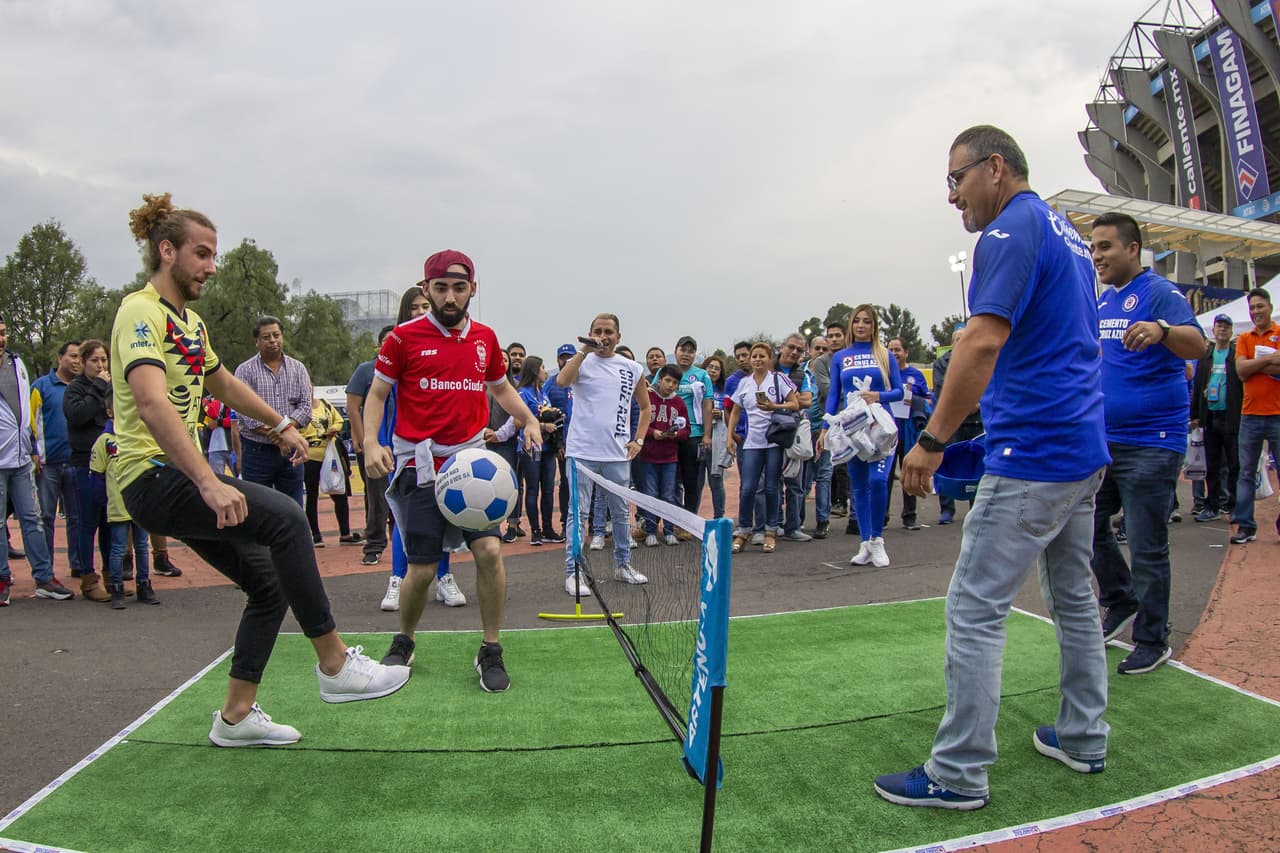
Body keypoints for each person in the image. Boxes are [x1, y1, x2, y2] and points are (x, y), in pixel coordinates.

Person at [116, 193, 409, 748]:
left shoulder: (190, 325)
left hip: (171, 478)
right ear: (166, 250)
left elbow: (223, 384)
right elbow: (152, 404)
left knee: (268, 585)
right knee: (287, 522)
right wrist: (207, 480)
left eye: (213, 254)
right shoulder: (140, 312)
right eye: (201, 254)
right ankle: (334, 665)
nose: (210, 265)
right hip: (150, 475)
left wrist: (281, 424)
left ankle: (235, 716)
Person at [876, 126, 1111, 810]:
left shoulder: (1007, 233)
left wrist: (931, 439)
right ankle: (1084, 735)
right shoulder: (1064, 232)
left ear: (995, 168)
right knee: (1073, 599)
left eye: (957, 179)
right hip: (1078, 449)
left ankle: (958, 772)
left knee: (975, 607)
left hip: (1035, 454)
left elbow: (982, 341)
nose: (952, 196)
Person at [365, 250, 541, 693]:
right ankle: (404, 640)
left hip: (472, 467)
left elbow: (500, 387)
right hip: (420, 467)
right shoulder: (402, 338)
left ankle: (491, 648)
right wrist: (370, 441)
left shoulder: (485, 338)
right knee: (421, 570)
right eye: (440, 288)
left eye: (458, 288)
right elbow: (377, 394)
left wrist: (530, 419)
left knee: (490, 552)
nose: (449, 296)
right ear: (426, 290)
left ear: (472, 291)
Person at [1089, 211, 1205, 675]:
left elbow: (1197, 345)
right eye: (1094, 247)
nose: (1098, 255)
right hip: (1105, 441)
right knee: (1086, 526)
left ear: (1133, 249)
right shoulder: (1103, 303)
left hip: (1153, 444)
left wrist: (1163, 331)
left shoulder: (1157, 292)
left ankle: (1153, 639)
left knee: (1146, 543)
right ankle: (1120, 599)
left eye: (1106, 247)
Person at [376, 287, 465, 611]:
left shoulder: (445, 349)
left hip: (442, 449)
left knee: (442, 513)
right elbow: (379, 403)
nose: (419, 311)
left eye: (424, 306)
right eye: (413, 307)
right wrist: (378, 443)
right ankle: (397, 579)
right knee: (406, 520)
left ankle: (443, 577)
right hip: (405, 450)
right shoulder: (398, 347)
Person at [557, 313, 652, 593]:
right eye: (598, 330)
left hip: (617, 454)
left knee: (621, 513)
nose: (603, 336)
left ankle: (623, 565)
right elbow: (562, 381)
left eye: (608, 331)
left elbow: (645, 408)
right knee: (578, 511)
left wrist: (639, 440)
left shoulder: (632, 367)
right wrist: (584, 350)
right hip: (581, 451)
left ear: (618, 336)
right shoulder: (581, 362)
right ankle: (574, 572)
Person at [818, 306, 902, 568]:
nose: (861, 325)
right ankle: (865, 542)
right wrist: (825, 428)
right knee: (859, 487)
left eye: (867, 321)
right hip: (852, 429)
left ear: (874, 325)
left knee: (878, 481)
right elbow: (834, 395)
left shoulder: (885, 355)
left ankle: (878, 539)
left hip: (880, 428)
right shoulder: (840, 357)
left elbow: (899, 391)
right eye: (857, 321)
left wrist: (879, 396)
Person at [0, 318, 69, 606]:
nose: (1, 339)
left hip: (20, 460)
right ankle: (2, 578)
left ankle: (44, 578)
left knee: (33, 519)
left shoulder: (17, 364)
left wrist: (30, 448)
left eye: (2, 333)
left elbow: (26, 411)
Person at [724, 341, 799, 554]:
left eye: (762, 356)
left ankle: (770, 530)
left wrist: (774, 406)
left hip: (773, 441)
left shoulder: (778, 379)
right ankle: (744, 529)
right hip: (751, 443)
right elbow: (736, 411)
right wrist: (729, 436)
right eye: (754, 356)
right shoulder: (745, 383)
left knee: (771, 487)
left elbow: (794, 404)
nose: (757, 359)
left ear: (770, 359)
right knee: (748, 488)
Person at [88, 393, 158, 609]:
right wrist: (103, 501)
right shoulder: (105, 442)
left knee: (142, 547)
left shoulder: (139, 437)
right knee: (118, 548)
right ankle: (116, 586)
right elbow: (96, 474)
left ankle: (144, 585)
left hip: (140, 504)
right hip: (118, 506)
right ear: (110, 412)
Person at [235, 316, 312, 507]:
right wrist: (280, 433)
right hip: (257, 451)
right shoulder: (245, 371)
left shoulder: (298, 369)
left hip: (291, 453)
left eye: (276, 335)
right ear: (257, 341)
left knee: (293, 508)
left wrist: (285, 431)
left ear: (282, 337)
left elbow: (305, 408)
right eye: (266, 337)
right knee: (257, 509)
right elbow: (243, 410)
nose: (272, 341)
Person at [63, 338, 113, 601]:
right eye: (95, 360)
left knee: (108, 522)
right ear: (83, 362)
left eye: (104, 360)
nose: (100, 365)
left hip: (109, 464)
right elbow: (79, 415)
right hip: (84, 464)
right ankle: (87, 579)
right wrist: (97, 388)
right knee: (87, 523)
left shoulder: (109, 387)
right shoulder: (75, 389)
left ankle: (110, 575)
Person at [1229, 288, 1280, 544]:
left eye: (1260, 306)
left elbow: (1249, 367)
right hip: (1249, 415)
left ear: (1270, 307)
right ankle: (1246, 526)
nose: (1256, 311)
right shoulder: (1244, 338)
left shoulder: (1279, 333)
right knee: (1246, 473)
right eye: (1253, 308)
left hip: (1278, 414)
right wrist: (1270, 360)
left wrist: (1254, 364)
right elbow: (1240, 369)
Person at [30, 340, 83, 578]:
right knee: (46, 517)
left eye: (80, 358)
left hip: (76, 463)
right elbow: (30, 422)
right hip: (48, 464)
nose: (76, 362)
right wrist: (33, 452)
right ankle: (46, 567)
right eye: (72, 356)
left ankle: (78, 564)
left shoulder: (83, 387)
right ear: (60, 358)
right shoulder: (41, 386)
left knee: (76, 517)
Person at [347, 326, 395, 567]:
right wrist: (361, 437)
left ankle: (404, 543)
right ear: (379, 346)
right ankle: (374, 545)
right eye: (387, 340)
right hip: (377, 443)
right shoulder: (367, 370)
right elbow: (353, 406)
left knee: (406, 497)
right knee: (377, 498)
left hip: (405, 445)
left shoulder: (406, 370)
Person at [931, 324, 984, 525]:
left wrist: (976, 403)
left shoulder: (980, 358)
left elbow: (987, 383)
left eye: (965, 338)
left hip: (977, 420)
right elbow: (941, 388)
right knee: (946, 462)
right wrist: (964, 404)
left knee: (976, 464)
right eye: (958, 339)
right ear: (952, 343)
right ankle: (946, 509)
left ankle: (976, 509)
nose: (962, 343)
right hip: (952, 422)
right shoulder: (941, 363)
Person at [1192, 314, 1242, 522]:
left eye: (1226, 326)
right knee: (1211, 463)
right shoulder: (1206, 356)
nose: (1222, 329)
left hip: (1231, 416)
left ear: (1231, 331)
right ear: (1213, 331)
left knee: (1234, 464)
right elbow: (1197, 385)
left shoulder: (1236, 355)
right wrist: (1195, 414)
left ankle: (1233, 506)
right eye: (1219, 326)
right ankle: (1211, 505)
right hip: (1210, 415)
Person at [515, 355, 566, 546]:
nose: (546, 371)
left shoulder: (543, 393)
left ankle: (547, 529)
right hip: (530, 447)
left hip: (548, 448)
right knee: (532, 489)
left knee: (547, 490)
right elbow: (517, 421)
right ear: (535, 370)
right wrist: (543, 425)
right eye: (543, 367)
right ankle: (535, 531)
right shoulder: (523, 393)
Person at [300, 396, 361, 548]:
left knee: (340, 492)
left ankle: (345, 533)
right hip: (310, 455)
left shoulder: (325, 404)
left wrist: (334, 428)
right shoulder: (298, 408)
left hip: (331, 454)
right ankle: (315, 534)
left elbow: (339, 420)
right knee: (312, 496)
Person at [640, 364, 690, 545]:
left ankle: (669, 530)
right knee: (650, 494)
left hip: (670, 457)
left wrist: (675, 434)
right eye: (668, 380)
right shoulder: (648, 398)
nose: (670, 385)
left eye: (675, 382)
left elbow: (687, 431)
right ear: (660, 379)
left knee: (669, 495)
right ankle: (651, 531)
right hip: (648, 457)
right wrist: (653, 433)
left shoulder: (679, 403)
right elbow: (640, 424)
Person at [887, 337, 933, 531]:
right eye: (890, 350)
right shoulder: (884, 374)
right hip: (888, 431)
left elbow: (928, 400)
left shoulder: (915, 374)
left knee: (909, 472)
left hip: (909, 430)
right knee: (886, 476)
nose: (895, 353)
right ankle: (881, 518)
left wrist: (912, 400)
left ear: (906, 352)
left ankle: (910, 516)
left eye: (898, 349)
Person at [777, 333, 816, 542]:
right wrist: (793, 399)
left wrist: (780, 401)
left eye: (799, 350)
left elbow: (807, 400)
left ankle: (793, 526)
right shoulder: (768, 370)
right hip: (773, 432)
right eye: (791, 347)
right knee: (772, 482)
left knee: (795, 481)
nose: (794, 352)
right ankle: (774, 525)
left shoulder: (804, 374)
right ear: (782, 346)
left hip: (795, 433)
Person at [671, 336, 713, 517]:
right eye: (683, 350)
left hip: (693, 434)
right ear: (676, 351)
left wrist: (707, 434)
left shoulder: (702, 375)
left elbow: (707, 405)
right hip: (669, 434)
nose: (686, 354)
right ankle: (671, 521)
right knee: (670, 480)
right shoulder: (667, 371)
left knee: (691, 480)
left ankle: (689, 520)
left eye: (690, 351)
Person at [815, 322, 850, 519]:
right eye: (831, 335)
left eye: (838, 335)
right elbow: (829, 391)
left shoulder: (851, 357)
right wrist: (851, 393)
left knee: (850, 466)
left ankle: (850, 511)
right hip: (830, 419)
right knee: (830, 467)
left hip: (854, 419)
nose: (834, 339)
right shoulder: (821, 362)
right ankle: (829, 509)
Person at [803, 335, 833, 538]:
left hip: (825, 429)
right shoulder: (800, 373)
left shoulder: (832, 371)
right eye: (817, 348)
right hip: (803, 432)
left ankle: (823, 521)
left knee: (824, 477)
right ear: (810, 350)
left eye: (824, 348)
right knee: (802, 480)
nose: (821, 351)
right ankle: (797, 521)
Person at [544, 343, 577, 534]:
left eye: (570, 357)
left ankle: (591, 524)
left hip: (586, 443)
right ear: (558, 360)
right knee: (566, 484)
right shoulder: (552, 383)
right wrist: (558, 444)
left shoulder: (582, 379)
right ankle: (567, 524)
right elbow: (546, 413)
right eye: (563, 357)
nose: (567, 361)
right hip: (564, 444)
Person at [698, 355, 730, 519]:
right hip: (697, 438)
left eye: (717, 368)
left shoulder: (724, 390)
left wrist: (721, 413)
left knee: (716, 481)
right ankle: (691, 519)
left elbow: (733, 413)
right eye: (710, 366)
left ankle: (719, 517)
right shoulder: (697, 386)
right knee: (695, 483)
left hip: (716, 439)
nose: (713, 370)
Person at [201, 395, 242, 478]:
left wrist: (219, 422)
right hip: (214, 446)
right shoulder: (209, 399)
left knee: (240, 477)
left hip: (233, 446)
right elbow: (212, 413)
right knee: (216, 478)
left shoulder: (235, 397)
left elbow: (236, 420)